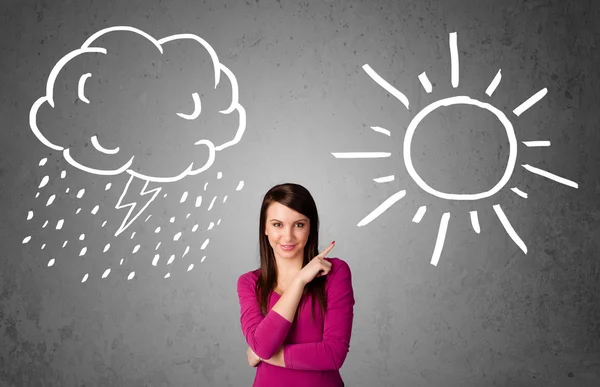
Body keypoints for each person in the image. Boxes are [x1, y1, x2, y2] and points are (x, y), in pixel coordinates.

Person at [237, 183, 354, 387]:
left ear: (311, 227)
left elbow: (333, 355)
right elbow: (262, 346)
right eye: (277, 224)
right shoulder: (249, 283)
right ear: (264, 227)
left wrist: (263, 354)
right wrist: (299, 281)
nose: (288, 236)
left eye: (299, 224)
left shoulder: (336, 272)